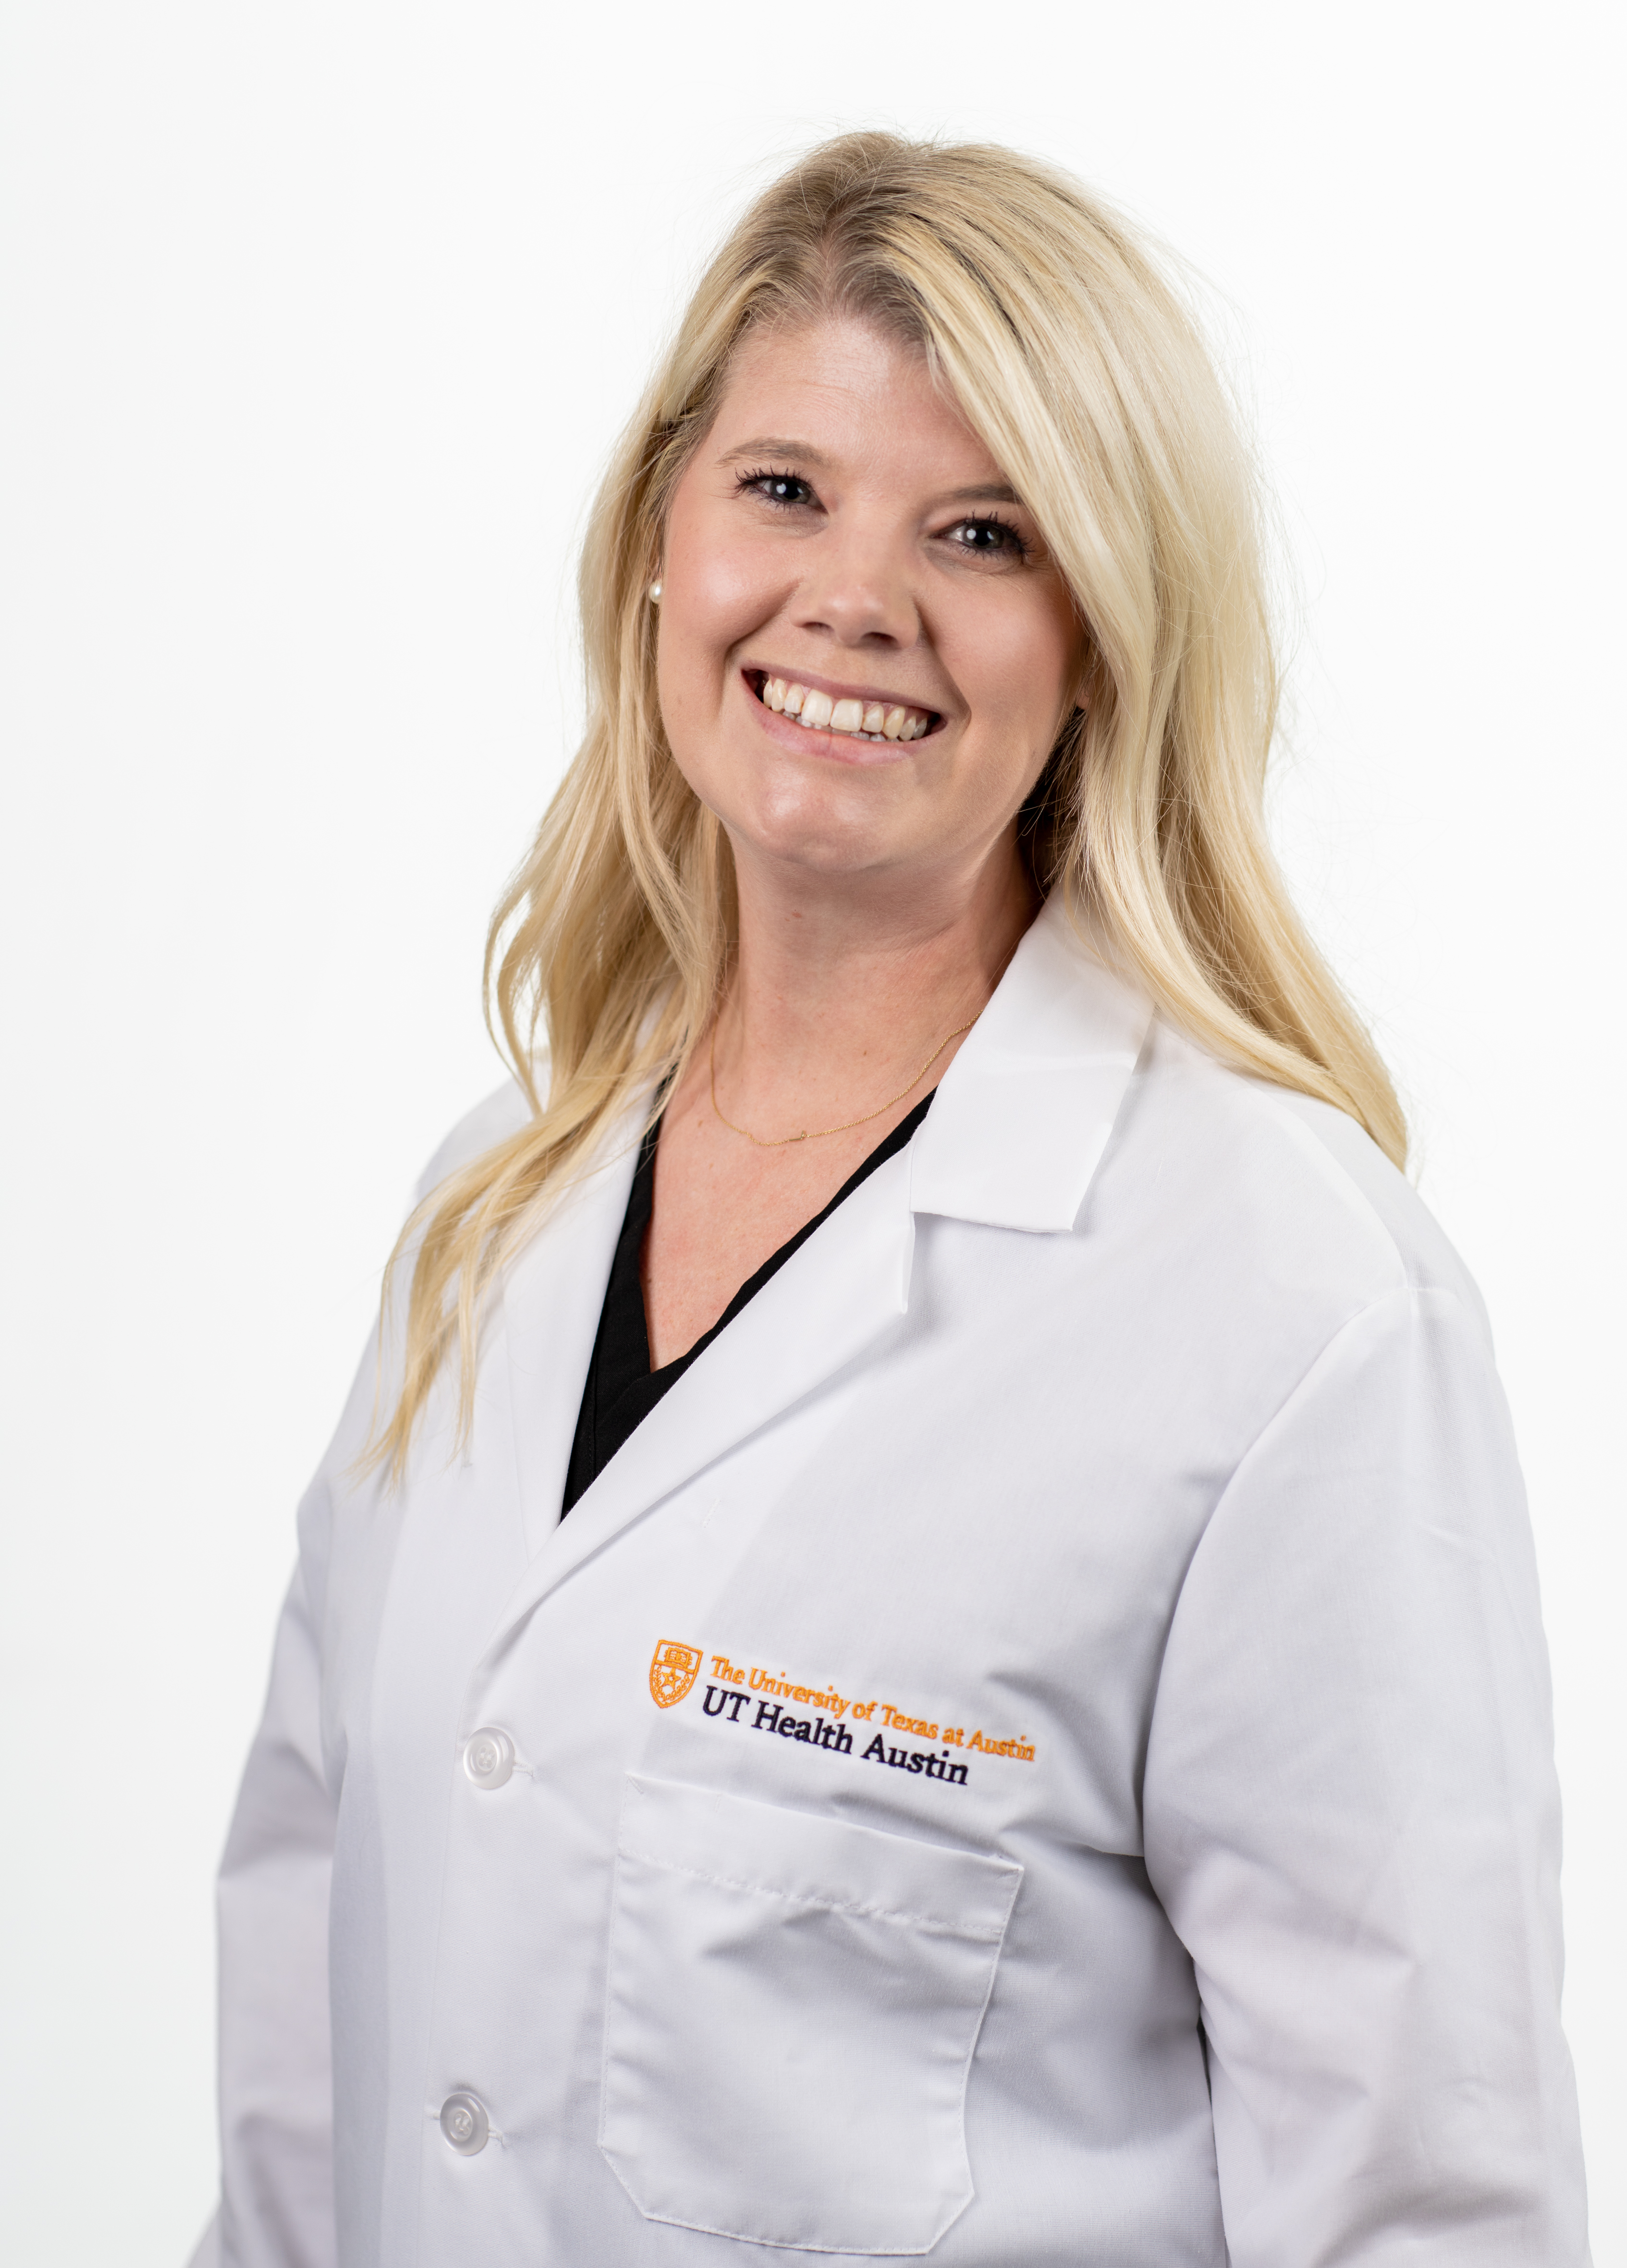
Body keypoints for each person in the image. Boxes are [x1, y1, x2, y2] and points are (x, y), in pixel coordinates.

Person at [190, 134, 1588, 2267]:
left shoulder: (1286, 1303)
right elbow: (309, 2049)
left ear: (1102, 636)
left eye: (980, 529)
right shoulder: (495, 1210)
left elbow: (1423, 2207)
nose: (852, 596)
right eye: (781, 489)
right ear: (659, 538)